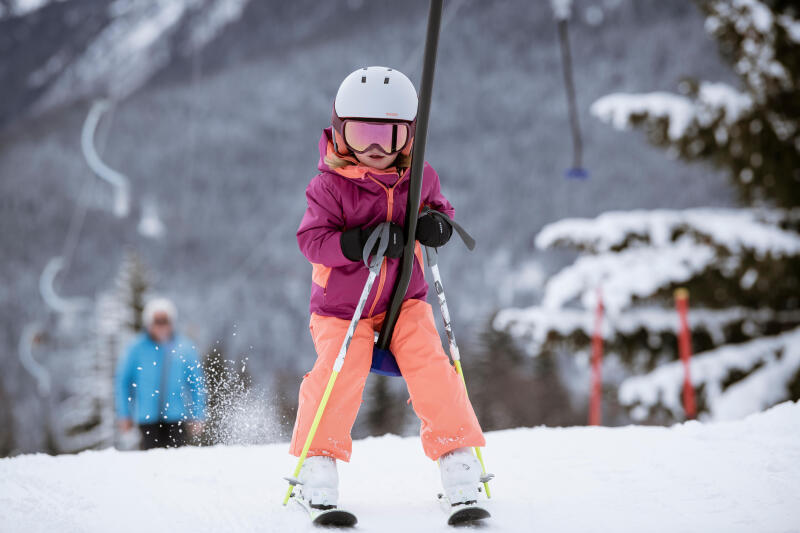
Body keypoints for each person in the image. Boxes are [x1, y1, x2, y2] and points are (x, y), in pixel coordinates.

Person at [290, 66, 485, 508]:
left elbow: (440, 208)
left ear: (409, 136)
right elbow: (311, 241)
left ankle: (456, 454)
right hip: (342, 309)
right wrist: (355, 243)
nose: (376, 148)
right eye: (362, 135)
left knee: (432, 365)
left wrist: (437, 225)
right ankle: (317, 461)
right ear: (341, 134)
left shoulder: (420, 176)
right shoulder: (330, 186)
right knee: (342, 368)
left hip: (405, 303)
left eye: (389, 136)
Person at [115, 297, 206, 449]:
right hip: (147, 419)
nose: (161, 326)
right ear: (149, 323)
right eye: (157, 321)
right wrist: (124, 414)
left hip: (176, 418)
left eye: (165, 321)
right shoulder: (136, 348)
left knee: (176, 465)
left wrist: (198, 415)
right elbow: (123, 383)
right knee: (150, 465)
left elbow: (196, 384)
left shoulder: (185, 347)